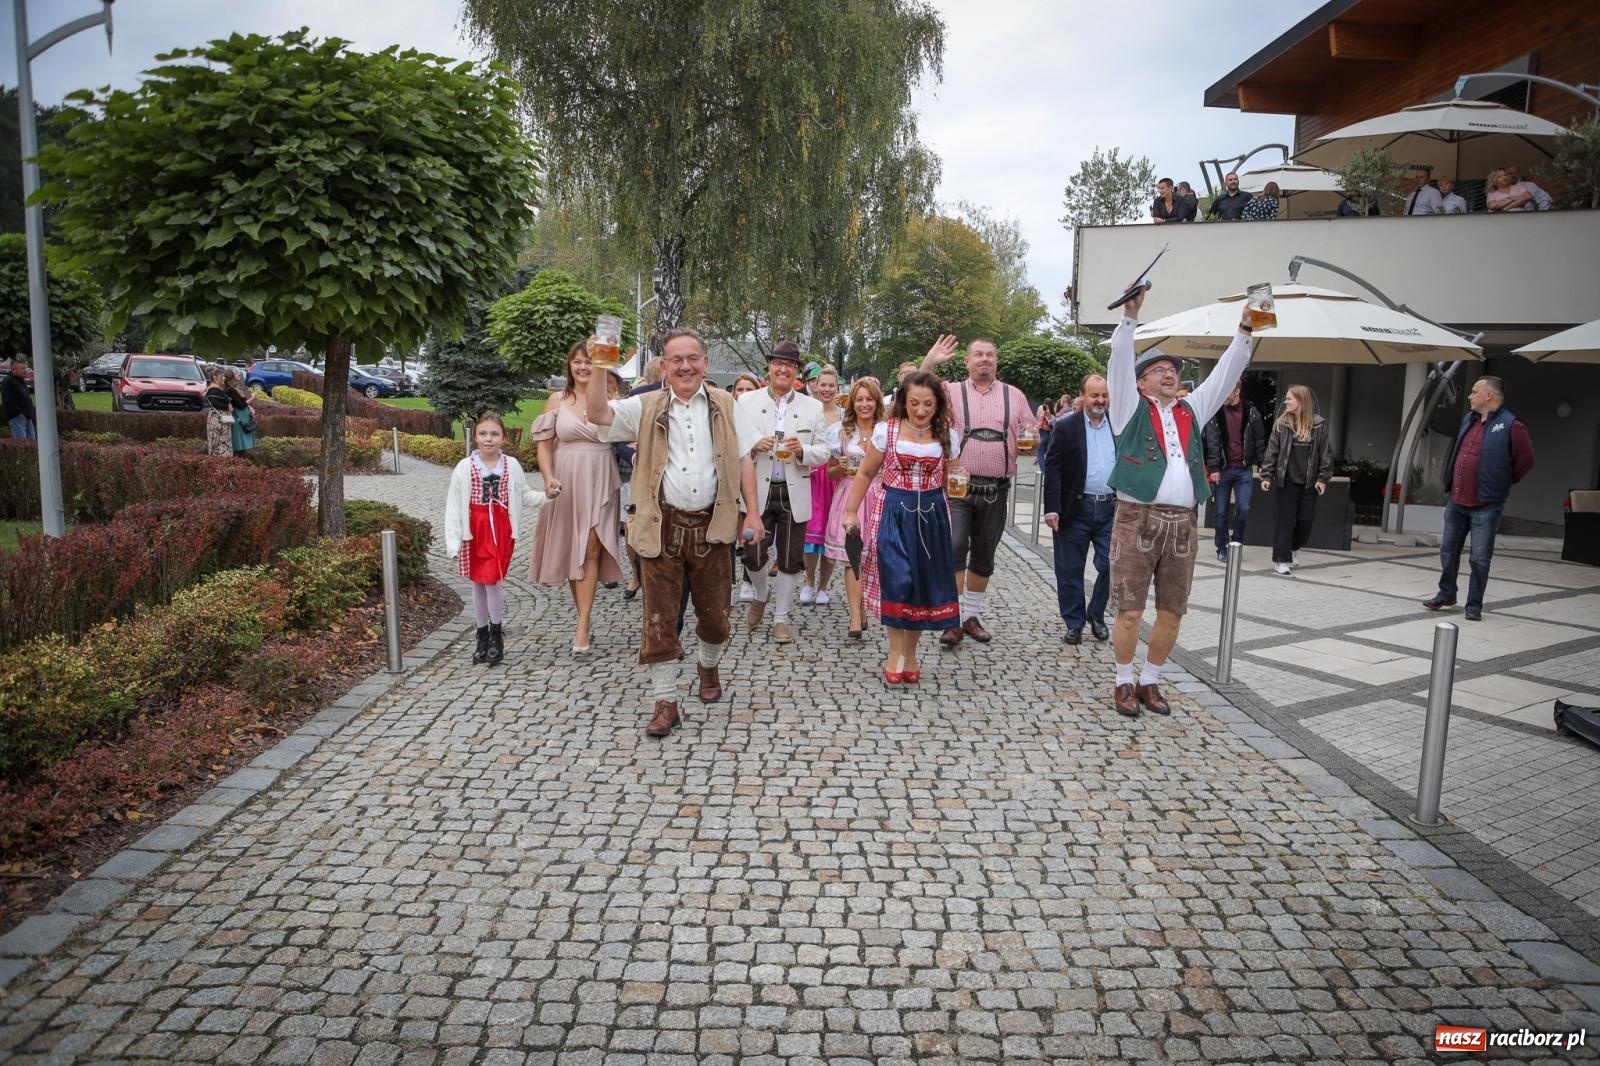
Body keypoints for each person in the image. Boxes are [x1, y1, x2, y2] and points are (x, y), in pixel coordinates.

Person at [589, 327, 764, 737]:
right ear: (663, 367)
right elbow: (598, 414)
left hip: (714, 526)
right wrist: (601, 363)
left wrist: (752, 514)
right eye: (676, 360)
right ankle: (666, 701)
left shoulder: (726, 404)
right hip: (661, 528)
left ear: (704, 362)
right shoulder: (644, 404)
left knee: (717, 618)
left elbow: (743, 461)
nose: (685, 366)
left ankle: (708, 664)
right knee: (659, 620)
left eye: (693, 358)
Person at [1106, 282, 1253, 718]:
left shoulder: (1192, 409)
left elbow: (1227, 371)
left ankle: (1150, 680)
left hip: (1183, 522)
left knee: (1173, 610)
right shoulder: (1127, 408)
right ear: (1141, 381)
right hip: (1136, 517)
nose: (1169, 374)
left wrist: (1246, 329)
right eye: (1159, 370)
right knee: (1130, 610)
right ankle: (1122, 680)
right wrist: (1130, 317)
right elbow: (1118, 361)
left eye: (1173, 370)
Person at [842, 371, 962, 684]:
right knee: (897, 581)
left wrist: (961, 483)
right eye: (914, 403)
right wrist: (851, 511)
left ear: (937, 405)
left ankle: (911, 654)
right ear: (903, 403)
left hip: (933, 516)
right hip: (893, 511)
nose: (921, 410)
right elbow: (866, 473)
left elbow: (956, 477)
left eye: (928, 404)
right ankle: (895, 651)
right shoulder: (887, 431)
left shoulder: (948, 435)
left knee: (920, 586)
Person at [920, 335, 1033, 648]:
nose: (985, 360)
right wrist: (931, 360)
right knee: (955, 546)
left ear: (996, 361)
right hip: (958, 486)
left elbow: (1031, 430)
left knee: (984, 554)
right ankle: (953, 620)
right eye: (978, 355)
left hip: (996, 487)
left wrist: (1031, 441)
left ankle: (970, 616)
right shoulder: (951, 391)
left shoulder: (1015, 395)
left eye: (990, 355)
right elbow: (915, 388)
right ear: (967, 361)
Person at [527, 340, 625, 653]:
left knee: (592, 548)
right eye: (577, 362)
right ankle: (582, 616)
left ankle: (582, 625)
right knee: (575, 549)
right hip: (567, 478)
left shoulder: (610, 398)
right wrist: (548, 477)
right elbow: (544, 444)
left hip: (600, 475)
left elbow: (626, 434)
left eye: (588, 361)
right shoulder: (557, 399)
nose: (582, 367)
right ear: (569, 366)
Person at [734, 340, 830, 644]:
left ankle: (781, 617)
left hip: (794, 489)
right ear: (769, 368)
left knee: (790, 559)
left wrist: (803, 450)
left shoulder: (812, 407)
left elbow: (825, 452)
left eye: (789, 365)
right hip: (755, 489)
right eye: (778, 363)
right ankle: (761, 593)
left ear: (796, 372)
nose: (782, 369)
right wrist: (751, 445)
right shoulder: (746, 402)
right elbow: (731, 444)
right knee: (753, 553)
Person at [1425, 376, 1535, 621]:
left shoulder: (1511, 425)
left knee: (1480, 558)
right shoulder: (1469, 419)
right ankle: (1446, 593)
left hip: (1486, 505)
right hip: (1457, 500)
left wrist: (1501, 482)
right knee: (1448, 550)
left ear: (1489, 396)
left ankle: (1473, 605)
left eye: (1474, 391)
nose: (1469, 395)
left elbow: (1526, 461)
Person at [444, 411, 546, 666]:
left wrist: (548, 496)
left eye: (494, 434)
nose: (488, 439)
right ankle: (482, 636)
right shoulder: (465, 467)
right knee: (478, 584)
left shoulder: (510, 465)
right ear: (475, 437)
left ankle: (497, 634)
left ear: (503, 438)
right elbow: (454, 506)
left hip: (500, 530)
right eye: (483, 434)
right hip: (474, 529)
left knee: (493, 581)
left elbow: (524, 495)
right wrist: (453, 542)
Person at [1042, 373, 1114, 646]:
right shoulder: (1066, 426)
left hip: (1111, 509)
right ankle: (1074, 622)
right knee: (1069, 569)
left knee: (1111, 565)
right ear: (1082, 396)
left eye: (1104, 395)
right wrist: (1052, 508)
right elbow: (1053, 467)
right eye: (1095, 395)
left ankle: (1096, 613)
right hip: (1075, 508)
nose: (1100, 400)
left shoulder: (1118, 426)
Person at [826, 377, 885, 638]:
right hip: (850, 495)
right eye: (859, 399)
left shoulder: (885, 430)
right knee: (854, 557)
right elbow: (829, 473)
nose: (864, 404)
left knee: (872, 558)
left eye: (869, 399)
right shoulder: (841, 432)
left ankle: (862, 609)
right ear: (852, 402)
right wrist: (840, 466)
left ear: (876, 402)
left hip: (879, 495)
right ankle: (853, 616)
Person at [1259, 385, 1332, 576]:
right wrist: (1266, 475)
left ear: (1301, 401)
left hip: (1309, 483)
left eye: (1289, 398)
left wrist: (1323, 478)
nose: (1286, 401)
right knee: (1285, 521)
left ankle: (1293, 547)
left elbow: (1325, 454)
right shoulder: (1281, 424)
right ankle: (1281, 560)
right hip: (1286, 481)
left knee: (1306, 521)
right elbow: (1272, 451)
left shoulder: (1318, 424)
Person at [1202, 383, 1266, 562]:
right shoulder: (1216, 413)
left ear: (1237, 391)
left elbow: (1259, 439)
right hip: (1223, 469)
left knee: (1243, 509)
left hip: (1243, 469)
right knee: (1220, 512)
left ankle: (1236, 544)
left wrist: (1262, 464)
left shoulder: (1251, 412)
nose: (1223, 395)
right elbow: (1212, 442)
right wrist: (1213, 468)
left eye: (1227, 391)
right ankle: (1221, 547)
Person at [801, 366, 843, 606]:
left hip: (835, 478)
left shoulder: (844, 415)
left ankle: (824, 586)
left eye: (831, 385)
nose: (826, 389)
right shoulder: (807, 411)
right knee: (810, 532)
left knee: (831, 531)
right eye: (822, 384)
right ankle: (808, 581)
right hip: (812, 477)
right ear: (815, 386)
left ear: (836, 388)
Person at [730, 373, 763, 602]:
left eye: (749, 389)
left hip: (753, 481)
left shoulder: (761, 418)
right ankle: (725, 581)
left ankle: (748, 579)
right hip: (727, 483)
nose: (744, 394)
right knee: (728, 534)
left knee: (748, 534)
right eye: (740, 389)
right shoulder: (726, 415)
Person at [3, 356, 37, 440]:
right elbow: (7, 401)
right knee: (21, 443)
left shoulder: (20, 380)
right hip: (17, 417)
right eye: (22, 368)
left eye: (25, 368)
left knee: (32, 442)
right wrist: (19, 414)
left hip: (27, 416)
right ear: (14, 369)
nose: (25, 370)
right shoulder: (9, 382)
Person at [203, 367, 234, 457]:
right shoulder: (214, 389)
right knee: (220, 441)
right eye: (222, 376)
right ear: (215, 377)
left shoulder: (214, 389)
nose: (224, 378)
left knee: (218, 441)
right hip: (218, 420)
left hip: (218, 418)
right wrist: (228, 406)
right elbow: (215, 403)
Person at [224, 370, 257, 456]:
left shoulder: (235, 388)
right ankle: (237, 462)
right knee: (240, 442)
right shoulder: (230, 390)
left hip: (243, 416)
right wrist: (252, 398)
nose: (238, 374)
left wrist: (249, 407)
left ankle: (240, 463)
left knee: (243, 442)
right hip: (239, 417)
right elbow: (240, 405)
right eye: (235, 373)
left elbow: (242, 403)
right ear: (231, 377)